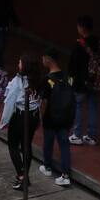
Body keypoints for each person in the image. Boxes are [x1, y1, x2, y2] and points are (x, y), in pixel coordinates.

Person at [0, 56, 42, 190]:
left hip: (20, 116)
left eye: (20, 62)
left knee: (13, 145)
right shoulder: (39, 80)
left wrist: (4, 121)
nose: (18, 64)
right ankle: (26, 175)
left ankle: (21, 175)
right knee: (26, 145)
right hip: (33, 116)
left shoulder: (17, 81)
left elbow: (9, 102)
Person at [38, 48, 75, 187]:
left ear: (48, 59)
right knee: (64, 146)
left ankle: (47, 167)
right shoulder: (69, 77)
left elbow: (44, 101)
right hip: (65, 117)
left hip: (51, 117)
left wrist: (42, 116)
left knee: (48, 142)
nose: (42, 60)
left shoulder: (47, 80)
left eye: (43, 58)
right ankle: (65, 176)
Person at [68, 15, 100, 146]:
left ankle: (77, 134)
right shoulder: (98, 42)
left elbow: (72, 67)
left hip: (81, 82)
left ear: (82, 28)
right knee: (93, 106)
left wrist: (70, 83)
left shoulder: (79, 45)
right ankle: (92, 136)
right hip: (95, 80)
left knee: (77, 106)